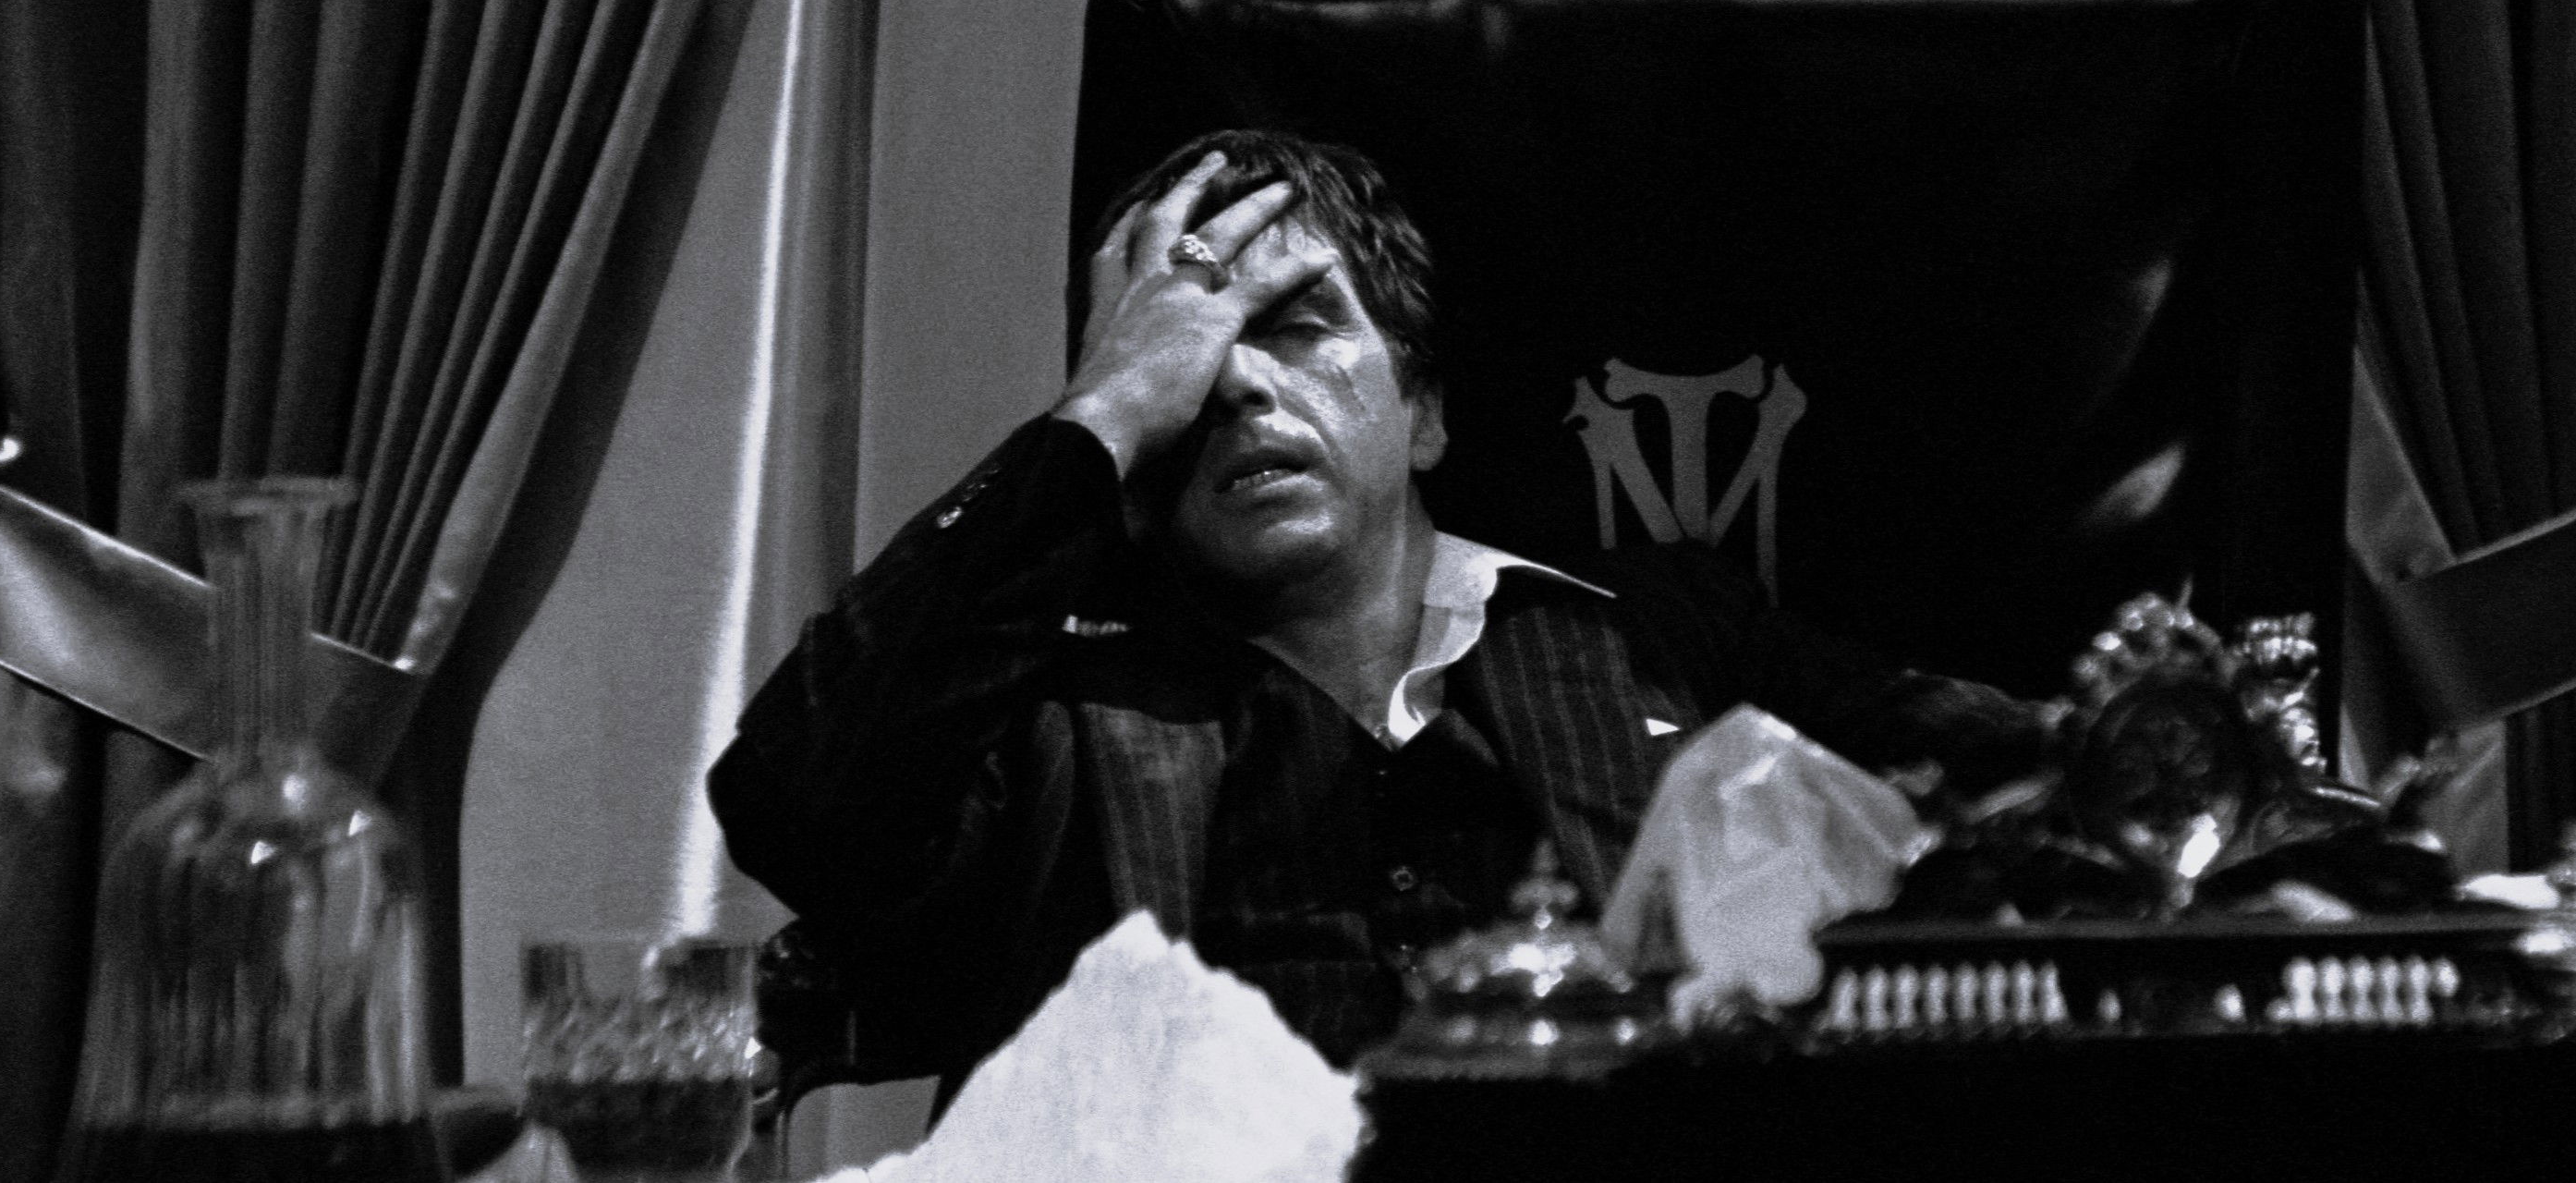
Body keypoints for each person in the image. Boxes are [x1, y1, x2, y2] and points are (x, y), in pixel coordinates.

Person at [709, 129, 2046, 1092]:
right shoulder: (1049, 716)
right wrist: (1100, 417)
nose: (1237, 384)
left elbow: (2046, 787)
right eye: (1186, 353)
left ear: (1424, 410)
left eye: (1295, 324)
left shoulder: (1662, 634)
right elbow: (797, 803)